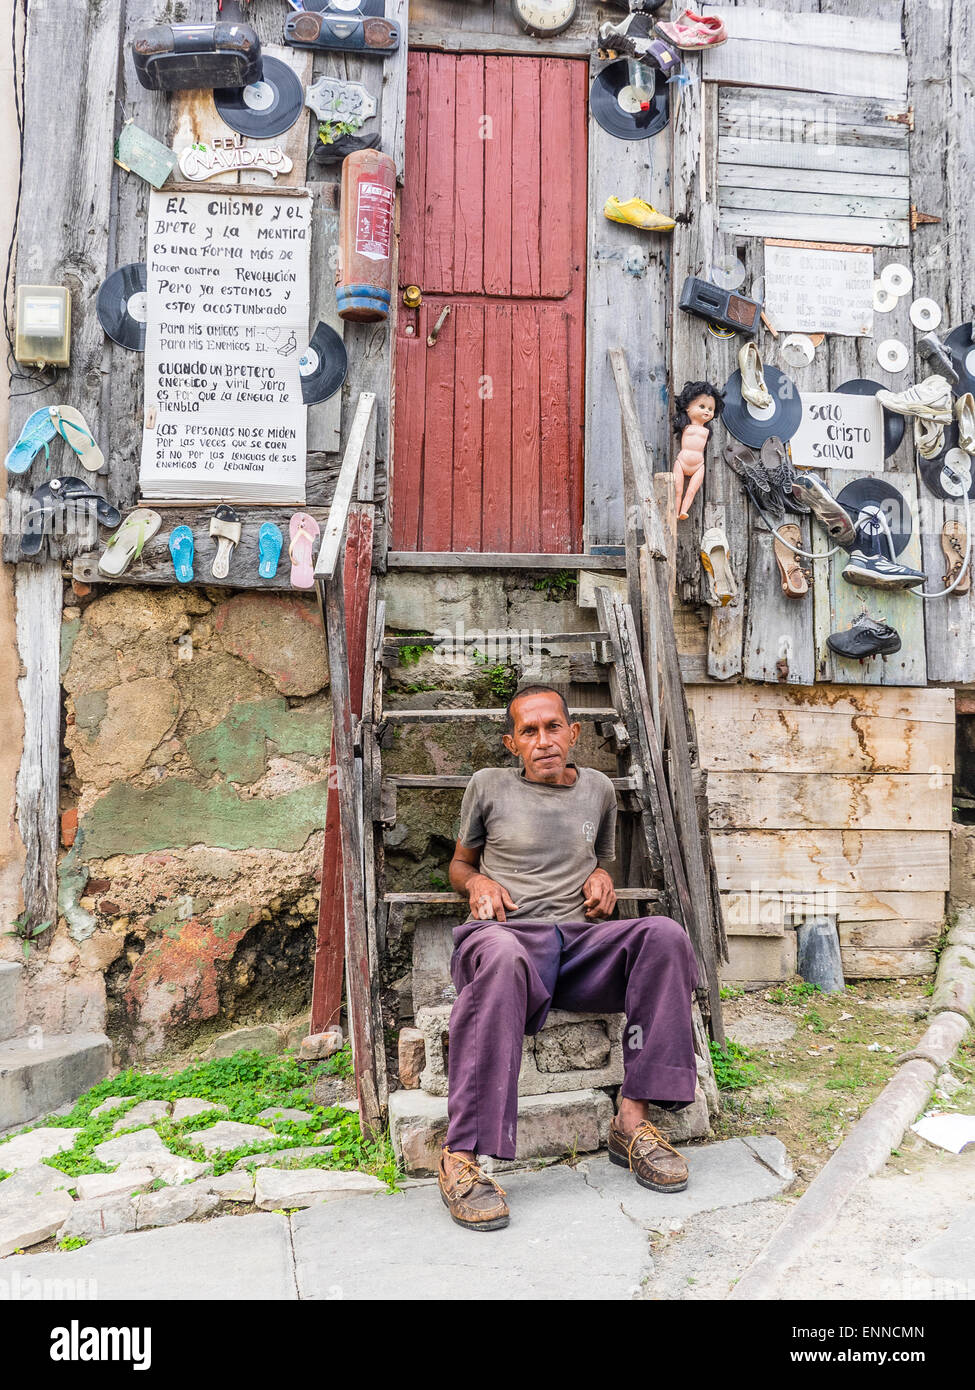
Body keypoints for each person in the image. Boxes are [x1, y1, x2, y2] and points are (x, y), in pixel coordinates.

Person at [438, 685, 701, 1231]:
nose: (543, 741)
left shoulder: (599, 790)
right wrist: (478, 881)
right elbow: (458, 865)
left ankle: (631, 1123)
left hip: (577, 946)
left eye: (552, 727)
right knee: (505, 955)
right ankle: (460, 1155)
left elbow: (599, 862)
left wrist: (604, 876)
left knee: (664, 935)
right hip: (503, 938)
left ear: (573, 733)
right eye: (528, 732)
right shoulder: (487, 786)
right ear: (512, 744)